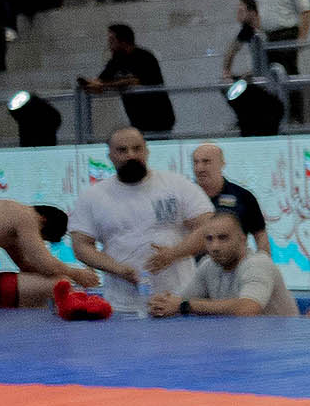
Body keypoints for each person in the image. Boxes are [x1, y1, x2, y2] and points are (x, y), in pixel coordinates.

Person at [67, 124, 210, 316]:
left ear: (147, 151)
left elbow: (207, 227)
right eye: (122, 150)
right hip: (122, 306)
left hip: (178, 300)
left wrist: (174, 253)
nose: (131, 155)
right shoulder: (93, 196)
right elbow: (81, 245)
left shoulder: (178, 185)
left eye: (137, 148)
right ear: (110, 156)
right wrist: (118, 269)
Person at [150, 211, 296, 318]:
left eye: (223, 238)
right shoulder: (208, 265)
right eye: (209, 239)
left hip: (281, 348)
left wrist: (185, 306)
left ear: (243, 239)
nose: (215, 247)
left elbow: (247, 308)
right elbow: (181, 301)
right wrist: (163, 304)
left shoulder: (258, 264)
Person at [80, 23, 175, 136]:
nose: (109, 45)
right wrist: (90, 84)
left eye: (112, 41)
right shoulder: (116, 60)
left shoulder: (145, 57)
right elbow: (101, 80)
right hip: (138, 119)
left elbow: (133, 82)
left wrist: (105, 85)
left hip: (158, 116)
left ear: (123, 42)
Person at [187, 140, 268, 256]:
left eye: (206, 162)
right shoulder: (185, 198)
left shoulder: (244, 197)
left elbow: (260, 236)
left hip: (235, 265)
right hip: (194, 266)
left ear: (221, 164)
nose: (200, 168)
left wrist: (264, 263)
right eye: (196, 162)